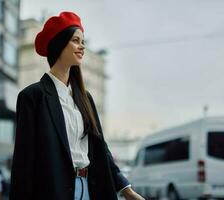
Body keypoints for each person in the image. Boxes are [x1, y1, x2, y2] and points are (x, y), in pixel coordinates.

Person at [9, 11, 145, 200]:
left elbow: (100, 149)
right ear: (59, 44)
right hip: (52, 191)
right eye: (75, 40)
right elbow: (23, 163)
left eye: (83, 42)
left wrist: (126, 189)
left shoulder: (85, 98)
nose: (82, 47)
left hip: (90, 188)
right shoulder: (33, 97)